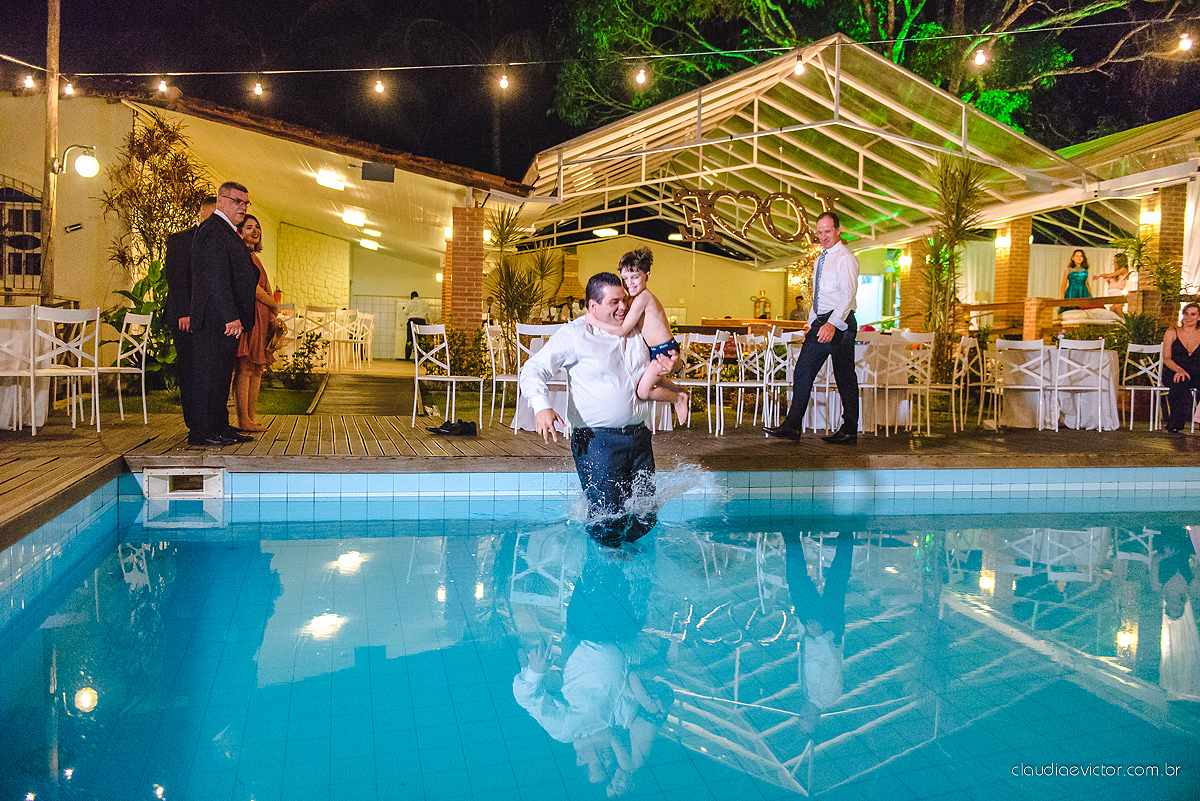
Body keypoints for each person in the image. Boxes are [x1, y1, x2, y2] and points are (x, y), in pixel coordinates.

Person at [519, 272, 672, 547]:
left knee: (645, 515)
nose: (624, 307)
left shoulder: (637, 329)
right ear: (593, 306)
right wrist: (542, 407)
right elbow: (532, 369)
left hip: (638, 438)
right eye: (614, 302)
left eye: (624, 300)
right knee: (607, 519)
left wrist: (672, 366)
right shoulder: (575, 335)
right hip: (596, 442)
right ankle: (604, 576)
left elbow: (667, 358)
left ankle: (623, 562)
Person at [765, 211, 860, 444]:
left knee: (844, 375)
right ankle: (793, 426)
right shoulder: (821, 259)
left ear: (838, 230)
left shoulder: (845, 258)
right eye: (819, 232)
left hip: (840, 323)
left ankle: (849, 429)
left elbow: (847, 296)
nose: (823, 236)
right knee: (803, 371)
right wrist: (812, 324)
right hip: (821, 321)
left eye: (828, 231)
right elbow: (819, 297)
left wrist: (831, 324)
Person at [188, 181, 259, 447]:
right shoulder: (212, 230)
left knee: (221, 375)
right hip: (215, 318)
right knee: (209, 375)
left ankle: (219, 425)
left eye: (245, 202)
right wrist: (230, 316)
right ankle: (201, 431)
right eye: (237, 201)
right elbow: (215, 277)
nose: (242, 207)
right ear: (220, 201)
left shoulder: (229, 231)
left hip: (224, 319)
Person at [584, 248, 689, 425]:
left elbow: (622, 330)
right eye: (625, 278)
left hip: (664, 350)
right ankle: (680, 391)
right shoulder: (634, 299)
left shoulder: (643, 298)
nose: (629, 283)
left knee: (643, 391)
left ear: (647, 275)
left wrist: (593, 320)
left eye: (635, 277)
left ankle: (677, 398)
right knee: (657, 381)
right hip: (658, 350)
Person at [163, 194, 216, 431]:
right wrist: (185, 312)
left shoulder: (218, 242)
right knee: (191, 370)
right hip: (185, 317)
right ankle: (195, 424)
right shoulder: (180, 240)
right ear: (203, 213)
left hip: (210, 318)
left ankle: (211, 421)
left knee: (209, 371)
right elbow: (175, 278)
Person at [232, 214, 280, 432]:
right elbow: (252, 287)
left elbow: (266, 285)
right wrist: (273, 303)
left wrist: (271, 313)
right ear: (240, 231)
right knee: (245, 367)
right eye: (249, 227)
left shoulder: (255, 257)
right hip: (249, 316)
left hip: (261, 317)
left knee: (257, 369)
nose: (255, 230)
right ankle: (243, 419)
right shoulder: (241, 256)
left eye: (257, 227)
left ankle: (251, 416)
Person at [1162, 302, 1200, 433]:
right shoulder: (1172, 332)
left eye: (1193, 314)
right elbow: (1166, 357)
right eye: (1186, 313)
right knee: (1181, 381)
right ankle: (1175, 423)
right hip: (1174, 370)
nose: (1189, 317)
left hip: (1195, 371)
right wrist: (1179, 370)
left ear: (1198, 317)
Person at [403, 291, 429, 360]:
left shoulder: (410, 302)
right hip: (422, 321)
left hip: (412, 321)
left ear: (412, 297)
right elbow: (428, 313)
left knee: (410, 340)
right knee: (422, 340)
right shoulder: (424, 303)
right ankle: (422, 356)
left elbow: (405, 311)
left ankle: (407, 357)